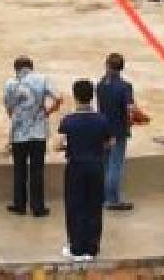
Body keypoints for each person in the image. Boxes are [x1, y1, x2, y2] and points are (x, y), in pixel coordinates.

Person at [57, 79, 114, 262]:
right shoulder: (102, 119)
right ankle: (92, 247)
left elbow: (58, 145)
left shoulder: (68, 120)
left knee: (75, 207)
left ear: (75, 96)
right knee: (94, 207)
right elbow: (110, 142)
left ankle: (77, 247)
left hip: (76, 167)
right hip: (96, 166)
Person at [2, 55, 60, 217]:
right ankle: (38, 207)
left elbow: (8, 107)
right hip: (38, 132)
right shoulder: (42, 79)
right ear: (31, 67)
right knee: (37, 170)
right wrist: (48, 111)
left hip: (19, 133)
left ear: (16, 69)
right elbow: (58, 98)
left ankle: (19, 204)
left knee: (19, 170)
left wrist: (16, 118)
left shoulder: (10, 83)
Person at [96, 53, 135, 211]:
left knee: (105, 163)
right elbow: (129, 109)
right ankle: (112, 199)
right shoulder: (125, 86)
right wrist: (131, 122)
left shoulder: (100, 84)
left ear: (107, 65)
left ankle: (103, 196)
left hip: (103, 128)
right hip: (118, 129)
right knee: (115, 164)